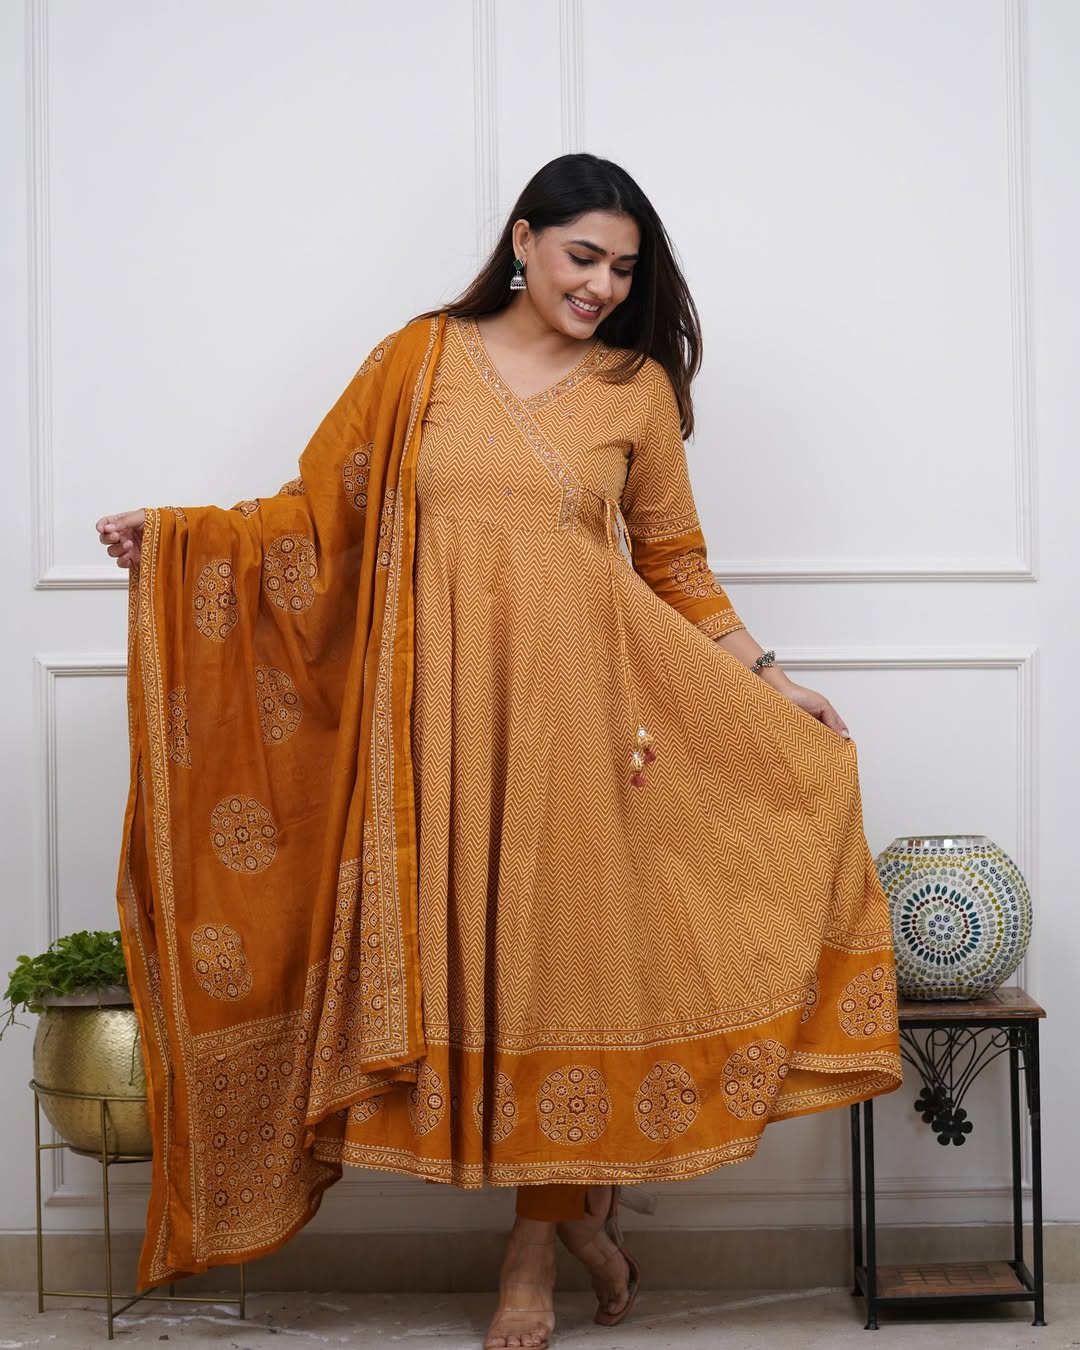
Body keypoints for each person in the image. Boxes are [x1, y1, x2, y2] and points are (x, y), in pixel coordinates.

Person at [97, 154, 901, 1350]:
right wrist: (176, 540)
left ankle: (535, 1243)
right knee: (480, 973)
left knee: (565, 970)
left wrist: (772, 678)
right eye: (583, 256)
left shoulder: (634, 388)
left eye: (622, 268)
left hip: (588, 726)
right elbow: (315, 519)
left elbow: (674, 564)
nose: (602, 285)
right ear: (523, 240)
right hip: (436, 729)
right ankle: (586, 1219)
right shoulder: (416, 361)